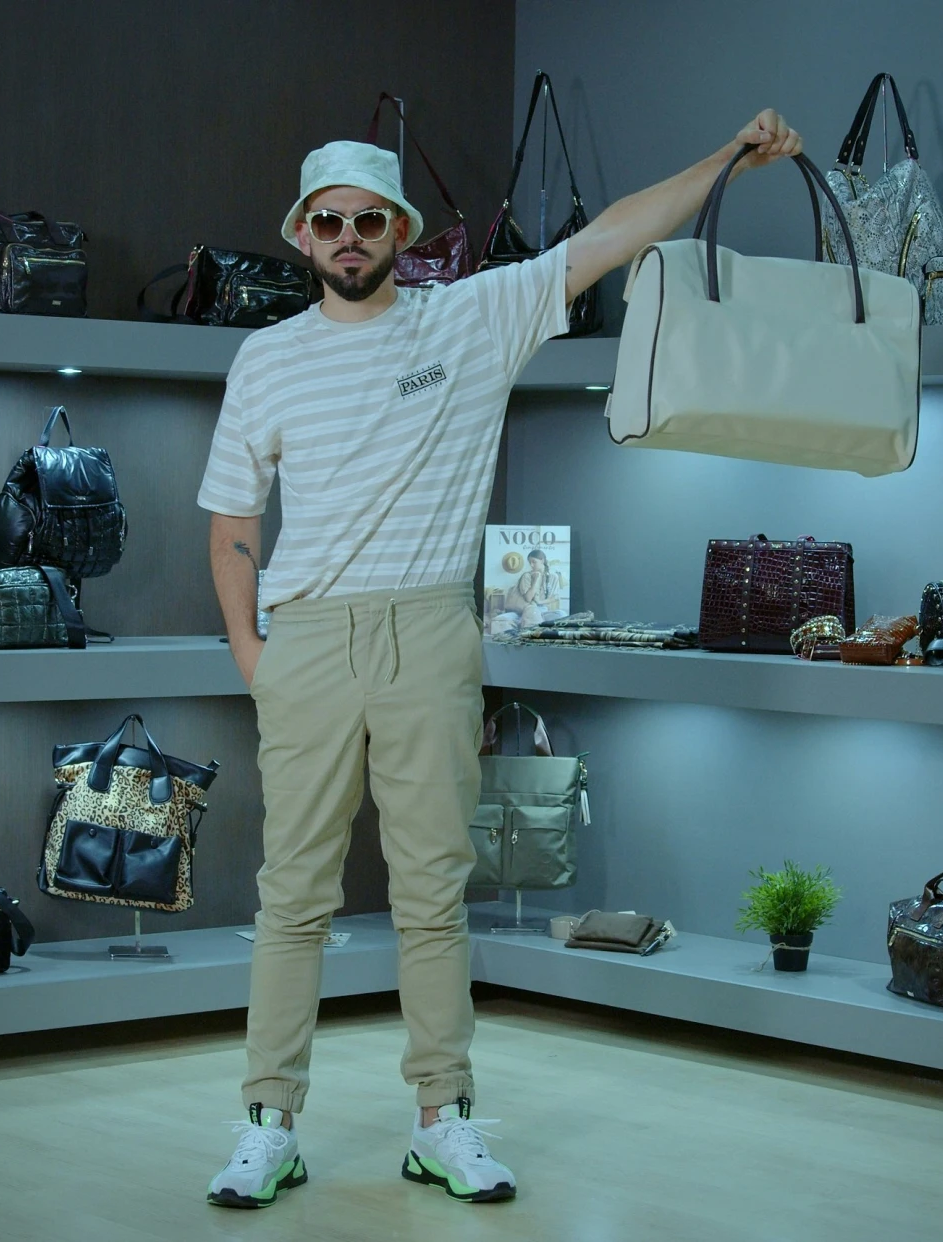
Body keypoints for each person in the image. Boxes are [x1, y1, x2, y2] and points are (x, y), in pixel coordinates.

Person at [197, 109, 804, 1209]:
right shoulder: (267, 359)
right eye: (327, 219)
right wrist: (254, 657)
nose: (346, 234)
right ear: (301, 235)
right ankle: (268, 1125)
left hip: (430, 630)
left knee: (432, 894)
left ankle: (443, 1120)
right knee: (293, 897)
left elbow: (610, 239)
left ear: (397, 230)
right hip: (308, 642)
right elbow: (232, 520)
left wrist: (723, 158)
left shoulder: (473, 317)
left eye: (365, 218)